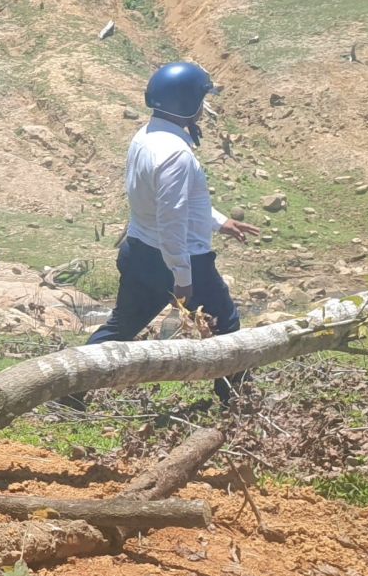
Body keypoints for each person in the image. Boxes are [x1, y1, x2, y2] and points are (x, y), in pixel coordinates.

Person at [77, 61, 260, 406]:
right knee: (227, 328)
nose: (205, 109)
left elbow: (173, 203)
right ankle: (236, 401)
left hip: (140, 251)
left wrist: (220, 222)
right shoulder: (176, 153)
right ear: (187, 103)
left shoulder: (146, 138)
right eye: (201, 99)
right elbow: (172, 217)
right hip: (180, 259)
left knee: (119, 329)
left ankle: (69, 390)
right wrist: (182, 275)